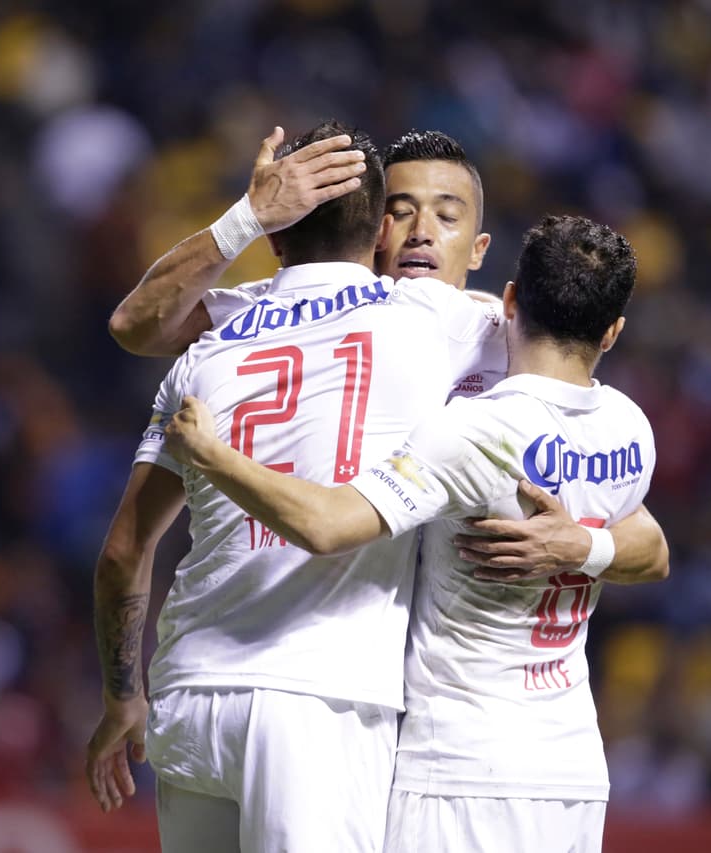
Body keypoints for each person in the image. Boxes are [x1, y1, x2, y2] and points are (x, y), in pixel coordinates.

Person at [163, 214, 662, 853]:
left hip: (459, 768)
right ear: (613, 332)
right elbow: (654, 548)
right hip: (570, 771)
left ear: (508, 300)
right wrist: (587, 547)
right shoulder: (630, 429)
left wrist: (214, 456)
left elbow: (326, 523)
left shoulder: (474, 432)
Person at [88, 119, 514, 852]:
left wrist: (123, 696)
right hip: (319, 698)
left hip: (190, 691)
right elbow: (568, 353)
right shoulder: (433, 319)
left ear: (277, 236)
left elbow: (124, 548)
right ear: (381, 232)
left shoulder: (218, 335)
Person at [106, 126, 667, 588]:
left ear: (479, 249)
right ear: (373, 229)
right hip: (332, 650)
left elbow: (643, 536)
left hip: (438, 682)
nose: (422, 232)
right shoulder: (284, 311)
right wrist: (248, 218)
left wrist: (586, 545)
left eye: (447, 217)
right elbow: (139, 325)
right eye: (400, 213)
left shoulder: (507, 338)